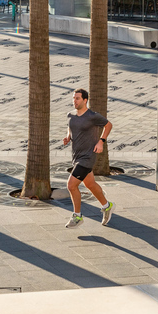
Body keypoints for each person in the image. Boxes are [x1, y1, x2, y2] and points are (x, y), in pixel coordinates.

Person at [63, 88, 115, 228]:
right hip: (76, 156)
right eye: (73, 98)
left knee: (71, 185)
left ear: (85, 100)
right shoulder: (70, 115)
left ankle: (77, 216)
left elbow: (108, 125)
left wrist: (101, 141)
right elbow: (70, 127)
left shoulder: (92, 116)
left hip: (87, 157)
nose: (74, 101)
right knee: (90, 184)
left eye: (77, 98)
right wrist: (68, 137)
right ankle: (107, 206)